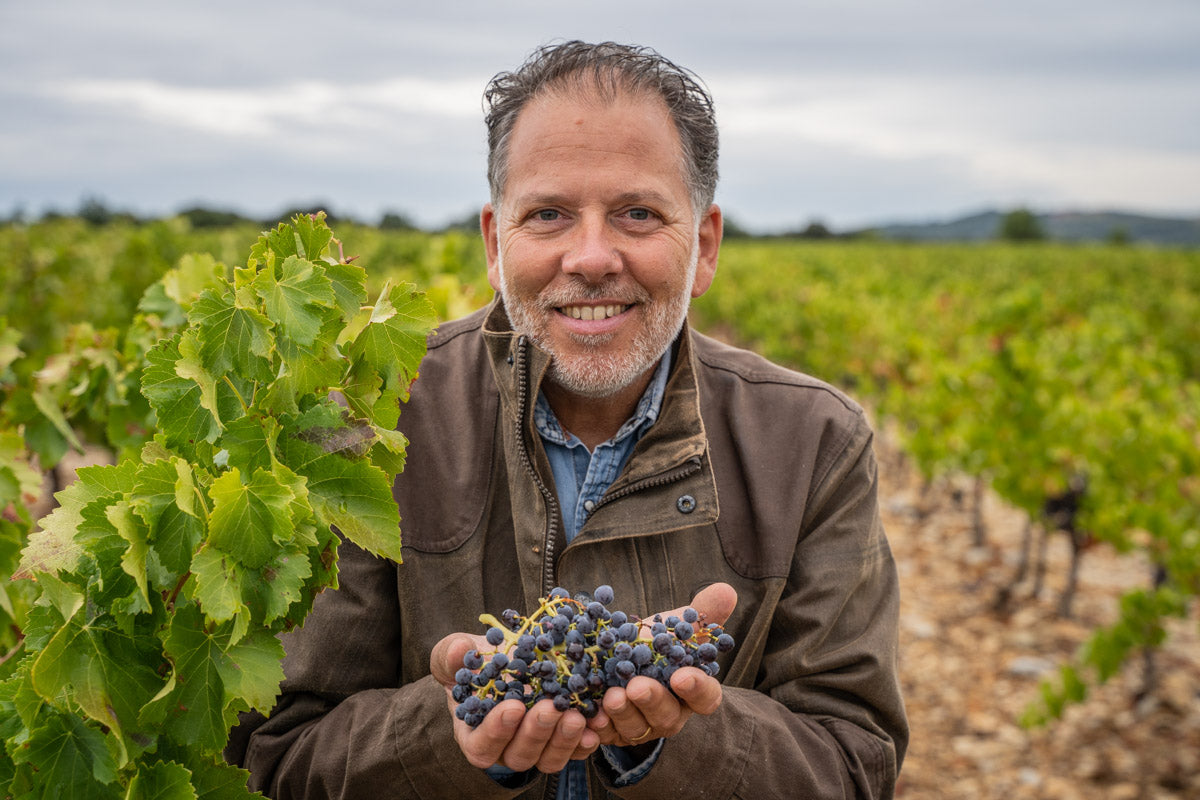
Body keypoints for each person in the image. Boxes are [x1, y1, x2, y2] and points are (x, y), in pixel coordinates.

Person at [227, 40, 908, 799]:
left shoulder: (815, 442)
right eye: (548, 214)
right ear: (495, 241)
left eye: (638, 214)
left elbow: (855, 763)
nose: (591, 257)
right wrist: (450, 734)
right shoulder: (362, 427)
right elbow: (272, 756)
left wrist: (667, 740)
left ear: (704, 247)